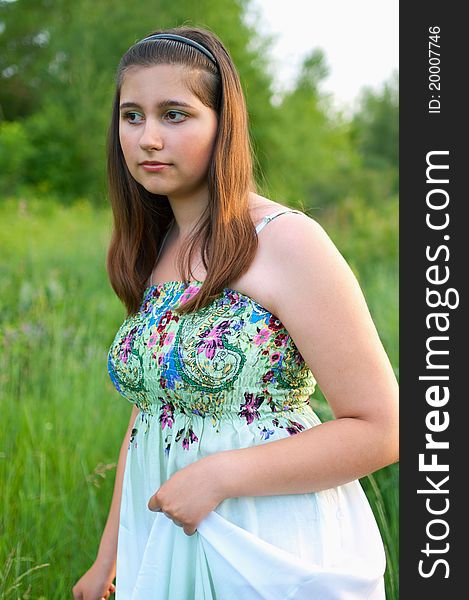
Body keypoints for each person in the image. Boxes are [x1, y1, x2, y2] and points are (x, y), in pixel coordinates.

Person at [72, 25, 399, 600]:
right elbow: (154, 410)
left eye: (175, 114)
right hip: (166, 534)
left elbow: (383, 429)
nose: (148, 137)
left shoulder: (287, 241)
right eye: (132, 115)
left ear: (224, 124)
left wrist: (217, 476)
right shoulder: (159, 246)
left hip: (266, 542)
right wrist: (111, 557)